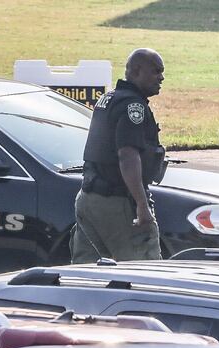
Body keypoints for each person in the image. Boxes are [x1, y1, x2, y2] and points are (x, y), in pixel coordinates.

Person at [70, 48, 167, 263]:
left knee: (86, 272)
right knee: (144, 270)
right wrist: (141, 204)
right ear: (137, 71)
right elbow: (127, 155)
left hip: (88, 197)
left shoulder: (108, 99)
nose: (161, 77)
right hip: (118, 201)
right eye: (156, 71)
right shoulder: (133, 106)